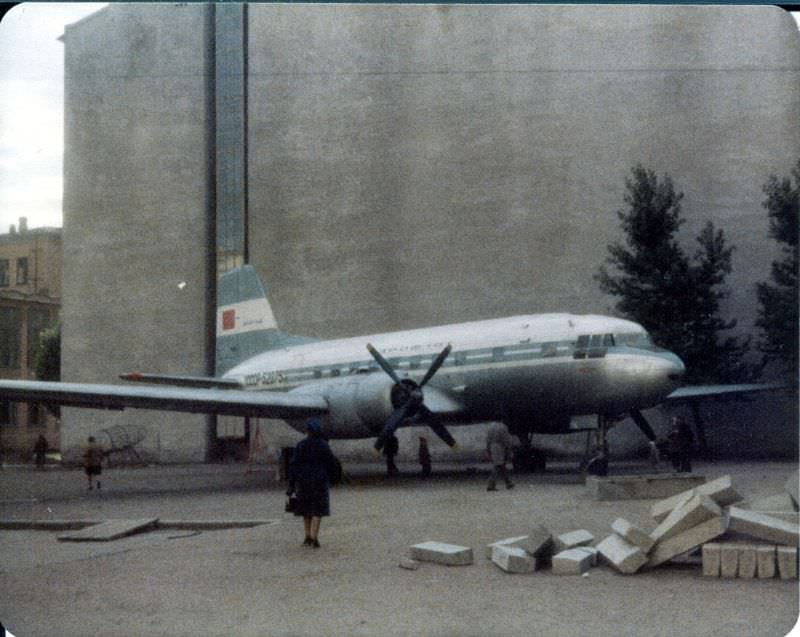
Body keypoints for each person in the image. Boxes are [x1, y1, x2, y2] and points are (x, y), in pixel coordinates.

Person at [287, 419, 338, 548]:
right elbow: (331, 463)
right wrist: (333, 478)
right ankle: (315, 537)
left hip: (303, 482)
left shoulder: (300, 445)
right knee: (318, 511)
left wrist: (291, 485)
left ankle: (307, 536)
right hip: (319, 482)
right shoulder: (323, 445)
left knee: (305, 510)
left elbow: (293, 466)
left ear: (307, 431)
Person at [486, 422, 514, 491]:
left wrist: (488, 449)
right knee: (498, 465)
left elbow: (487, 439)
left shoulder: (491, 426)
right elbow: (506, 440)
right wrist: (509, 450)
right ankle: (491, 484)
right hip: (500, 447)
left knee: (501, 465)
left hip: (492, 446)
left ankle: (508, 483)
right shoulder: (503, 427)